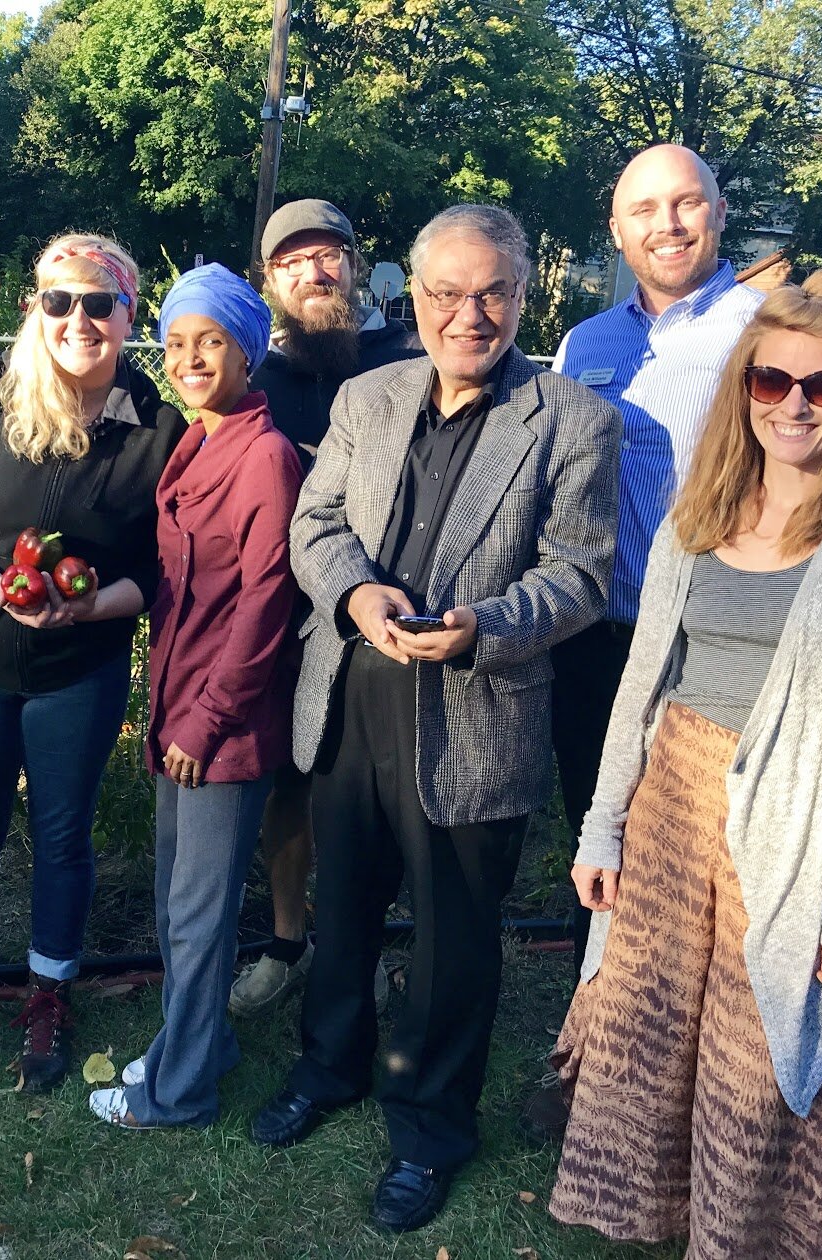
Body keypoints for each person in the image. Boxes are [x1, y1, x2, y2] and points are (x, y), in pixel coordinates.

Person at [549, 269, 822, 1259]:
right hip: (671, 807)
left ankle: (750, 1237)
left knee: (757, 1053)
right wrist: (602, 822)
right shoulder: (704, 510)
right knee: (653, 1032)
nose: (793, 404)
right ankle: (658, 1217)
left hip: (798, 823)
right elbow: (645, 683)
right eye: (771, 380)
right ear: (744, 384)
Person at [250, 205, 620, 1234]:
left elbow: (579, 577)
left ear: (523, 291)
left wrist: (481, 628)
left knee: (455, 939)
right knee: (345, 911)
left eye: (492, 291)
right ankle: (332, 1069)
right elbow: (315, 522)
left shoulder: (571, 420)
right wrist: (358, 596)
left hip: (474, 706)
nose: (470, 313)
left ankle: (430, 1127)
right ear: (410, 297)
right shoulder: (368, 397)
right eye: (447, 292)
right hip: (354, 687)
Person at [0, 234, 186, 1100]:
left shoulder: (153, 429)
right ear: (33, 308)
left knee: (63, 837)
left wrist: (89, 604)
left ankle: (50, 991)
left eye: (101, 303)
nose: (78, 319)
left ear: (130, 317)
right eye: (60, 300)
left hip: (78, 668)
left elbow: (165, 567)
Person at [87, 264, 301, 1130]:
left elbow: (265, 600)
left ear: (247, 353)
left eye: (211, 341)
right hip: (180, 709)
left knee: (199, 915)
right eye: (176, 343)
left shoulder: (264, 456)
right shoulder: (194, 440)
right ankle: (197, 1042)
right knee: (182, 899)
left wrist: (207, 722)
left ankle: (178, 1093)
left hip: (225, 725)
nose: (190, 359)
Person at [547, 145, 764, 988]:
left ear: (717, 211)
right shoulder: (585, 342)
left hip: (708, 645)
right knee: (594, 842)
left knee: (697, 855)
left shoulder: (761, 332)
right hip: (598, 640)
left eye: (685, 204)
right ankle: (593, 1037)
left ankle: (681, 1053)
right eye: (644, 210)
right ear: (617, 230)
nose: (666, 226)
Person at [231, 198, 424, 1020]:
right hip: (279, 623)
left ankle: (363, 948)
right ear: (269, 280)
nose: (315, 271)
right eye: (293, 261)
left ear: (355, 263)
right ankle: (287, 942)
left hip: (388, 620)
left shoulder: (409, 361)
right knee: (290, 792)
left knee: (380, 799)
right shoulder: (253, 379)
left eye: (330, 255)